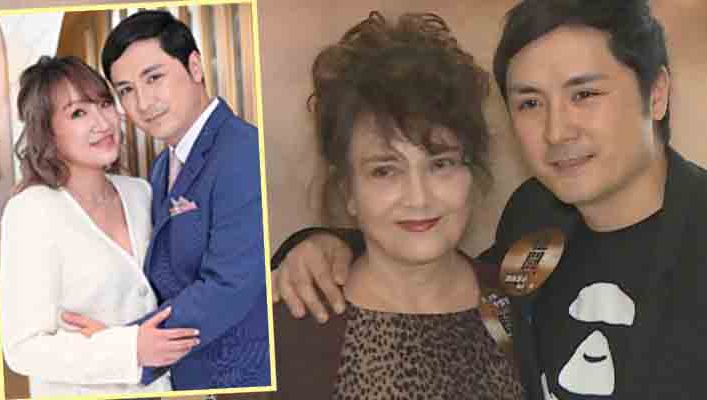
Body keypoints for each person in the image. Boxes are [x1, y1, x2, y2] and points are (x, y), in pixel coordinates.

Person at [271, 0, 707, 399]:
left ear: (656, 93)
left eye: (584, 94)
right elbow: (422, 257)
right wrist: (328, 244)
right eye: (531, 102)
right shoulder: (536, 217)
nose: (557, 131)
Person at [272, 11, 524, 399]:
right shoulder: (289, 327)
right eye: (385, 171)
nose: (419, 197)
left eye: (441, 164)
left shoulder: (520, 309)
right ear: (348, 190)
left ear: (472, 173)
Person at [66, 10, 271, 390]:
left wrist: (126, 343)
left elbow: (229, 286)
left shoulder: (243, 150)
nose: (143, 103)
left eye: (154, 78)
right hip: (185, 377)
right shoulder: (162, 167)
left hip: (239, 377)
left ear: (195, 67)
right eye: (126, 90)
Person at [0, 55, 199, 397]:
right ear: (47, 131)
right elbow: (23, 348)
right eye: (78, 113)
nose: (103, 123)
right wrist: (127, 348)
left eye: (105, 104)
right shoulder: (31, 210)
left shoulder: (140, 193)